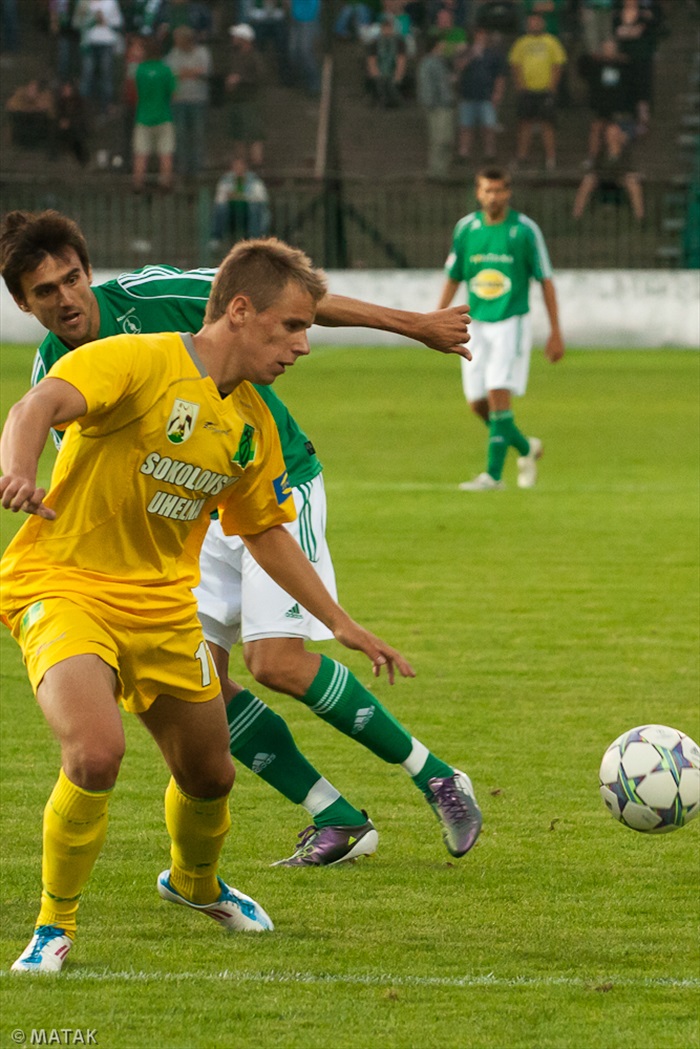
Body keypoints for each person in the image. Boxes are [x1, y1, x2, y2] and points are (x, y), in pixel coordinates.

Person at [1, 209, 482, 871]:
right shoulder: (56, 371)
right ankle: (335, 815)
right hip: (188, 515)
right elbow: (77, 455)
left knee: (277, 661)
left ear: (89, 272)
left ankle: (436, 775)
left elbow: (287, 298)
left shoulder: (154, 297)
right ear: (23, 304)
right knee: (196, 677)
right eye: (45, 291)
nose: (65, 298)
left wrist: (415, 325)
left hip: (273, 482)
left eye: (72, 279)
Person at [436, 166, 564, 490]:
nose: (493, 196)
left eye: (499, 190)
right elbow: (454, 276)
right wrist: (436, 317)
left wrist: (555, 331)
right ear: (478, 193)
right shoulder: (466, 228)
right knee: (477, 402)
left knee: (497, 393)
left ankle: (493, 476)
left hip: (510, 322)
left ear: (508, 193)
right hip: (475, 324)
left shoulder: (524, 230)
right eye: (487, 190)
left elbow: (546, 280)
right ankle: (525, 447)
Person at [508, 12, 567, 171]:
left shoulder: (551, 42)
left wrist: (552, 88)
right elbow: (515, 65)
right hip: (527, 91)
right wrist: (520, 86)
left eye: (536, 22)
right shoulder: (521, 42)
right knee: (524, 124)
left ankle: (550, 158)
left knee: (547, 125)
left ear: (542, 24)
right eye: (531, 22)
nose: (534, 25)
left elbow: (558, 65)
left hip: (545, 91)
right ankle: (522, 157)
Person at [572, 118, 644, 221]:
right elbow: (596, 168)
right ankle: (576, 215)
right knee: (588, 180)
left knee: (632, 182)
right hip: (603, 180)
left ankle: (639, 217)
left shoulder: (626, 151)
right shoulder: (601, 151)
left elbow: (628, 168)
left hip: (620, 181)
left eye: (615, 134)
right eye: (610, 134)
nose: (612, 137)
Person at [454, 26, 507, 163]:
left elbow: (500, 76)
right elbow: (459, 67)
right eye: (477, 36)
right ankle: (463, 153)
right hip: (468, 95)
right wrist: (471, 55)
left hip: (487, 96)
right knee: (466, 126)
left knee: (488, 126)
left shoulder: (494, 54)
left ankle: (490, 153)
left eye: (482, 35)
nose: (480, 38)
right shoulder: (465, 52)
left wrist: (498, 93)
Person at [132, 33, 177, 192]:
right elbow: (173, 93)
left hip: (143, 117)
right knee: (166, 154)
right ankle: (165, 184)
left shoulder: (140, 70)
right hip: (163, 116)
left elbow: (137, 91)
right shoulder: (166, 70)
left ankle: (138, 185)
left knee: (141, 155)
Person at [166, 24, 212, 178]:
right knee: (180, 135)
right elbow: (171, 73)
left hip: (198, 100)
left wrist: (183, 73)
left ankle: (197, 167)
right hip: (178, 100)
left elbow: (203, 71)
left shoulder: (203, 52)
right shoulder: (173, 53)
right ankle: (182, 167)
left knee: (198, 134)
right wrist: (191, 72)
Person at [226, 23, 266, 168]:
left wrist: (241, 79)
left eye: (236, 36)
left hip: (250, 101)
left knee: (254, 134)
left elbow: (261, 76)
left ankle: (257, 163)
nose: (233, 39)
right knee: (237, 135)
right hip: (235, 101)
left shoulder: (254, 56)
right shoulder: (234, 56)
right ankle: (240, 164)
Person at [416, 32, 455, 181]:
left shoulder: (441, 61)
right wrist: (430, 103)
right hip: (437, 106)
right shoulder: (428, 63)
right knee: (439, 139)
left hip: (446, 104)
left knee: (447, 139)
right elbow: (426, 85)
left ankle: (442, 169)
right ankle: (435, 171)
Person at [210, 154, 271, 246]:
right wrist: (234, 197)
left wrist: (239, 196)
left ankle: (254, 239)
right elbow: (220, 198)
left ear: (245, 167)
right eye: (236, 166)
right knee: (221, 208)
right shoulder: (226, 180)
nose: (238, 168)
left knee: (255, 208)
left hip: (248, 214)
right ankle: (216, 238)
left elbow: (262, 198)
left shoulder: (254, 180)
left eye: (240, 166)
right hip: (231, 214)